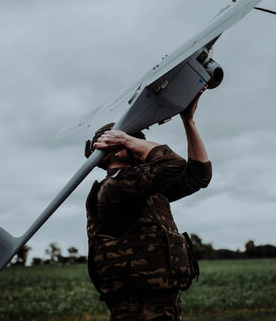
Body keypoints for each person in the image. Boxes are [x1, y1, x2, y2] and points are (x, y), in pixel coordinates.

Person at [85, 88, 211, 320]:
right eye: (129, 139)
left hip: (161, 307)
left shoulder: (142, 187)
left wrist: (188, 121)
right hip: (138, 310)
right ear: (111, 148)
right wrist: (126, 139)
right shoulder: (115, 187)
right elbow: (171, 163)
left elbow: (199, 176)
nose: (136, 143)